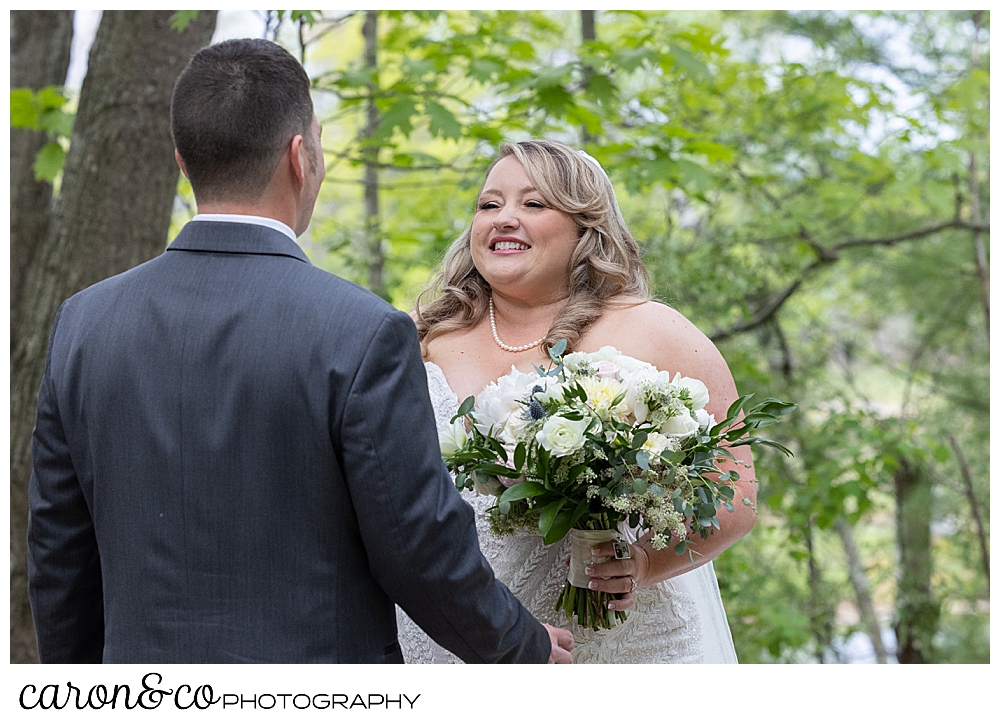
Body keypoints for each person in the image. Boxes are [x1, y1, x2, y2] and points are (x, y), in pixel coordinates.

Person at [26, 38, 573, 664]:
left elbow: (58, 551)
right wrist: (523, 648)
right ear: (298, 157)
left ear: (182, 161)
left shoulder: (86, 322)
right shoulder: (362, 331)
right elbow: (416, 543)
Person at [399, 139, 753, 663]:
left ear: (586, 225)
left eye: (534, 204)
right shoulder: (418, 340)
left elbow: (735, 494)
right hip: (453, 639)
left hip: (621, 646)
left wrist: (644, 564)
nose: (503, 219)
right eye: (489, 205)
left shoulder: (656, 332)